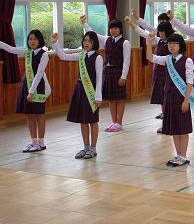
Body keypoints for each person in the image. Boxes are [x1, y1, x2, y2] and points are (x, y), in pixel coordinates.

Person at [146, 32, 194, 166]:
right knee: (174, 128)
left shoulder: (187, 61)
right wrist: (149, 42)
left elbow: (190, 82)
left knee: (183, 129)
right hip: (169, 97)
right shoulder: (167, 59)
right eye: (169, 44)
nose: (171, 46)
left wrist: (186, 100)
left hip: (181, 98)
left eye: (174, 44)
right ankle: (178, 155)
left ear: (181, 45)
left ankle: (183, 156)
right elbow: (150, 57)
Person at [52, 31, 102, 159]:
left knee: (92, 120)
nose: (86, 43)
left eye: (89, 41)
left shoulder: (98, 57)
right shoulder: (81, 55)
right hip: (80, 90)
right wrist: (55, 43)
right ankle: (86, 147)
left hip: (91, 92)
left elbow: (100, 78)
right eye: (85, 40)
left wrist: (98, 96)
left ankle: (93, 148)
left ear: (94, 43)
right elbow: (63, 56)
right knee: (83, 120)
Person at [0, 30, 50, 152]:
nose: (32, 41)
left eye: (34, 39)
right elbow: (11, 49)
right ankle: (33, 141)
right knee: (29, 114)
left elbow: (39, 74)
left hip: (37, 87)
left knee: (39, 114)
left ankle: (41, 143)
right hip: (26, 85)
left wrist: (31, 92)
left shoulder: (44, 54)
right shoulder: (27, 52)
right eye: (30, 39)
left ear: (40, 40)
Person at [81, 16, 130, 132]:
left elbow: (127, 60)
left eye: (116, 28)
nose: (113, 30)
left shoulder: (125, 43)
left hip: (118, 72)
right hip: (107, 71)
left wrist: (123, 76)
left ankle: (119, 122)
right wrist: (84, 24)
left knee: (120, 98)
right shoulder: (106, 39)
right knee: (111, 99)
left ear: (120, 30)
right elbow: (92, 33)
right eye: (111, 28)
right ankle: (114, 122)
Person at [126, 16, 174, 133]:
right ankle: (165, 123)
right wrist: (132, 24)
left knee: (169, 100)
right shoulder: (160, 40)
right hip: (158, 72)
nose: (160, 34)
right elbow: (143, 33)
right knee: (163, 100)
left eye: (162, 32)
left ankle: (170, 123)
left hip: (169, 74)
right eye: (159, 31)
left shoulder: (172, 42)